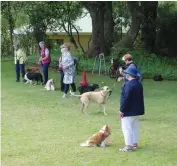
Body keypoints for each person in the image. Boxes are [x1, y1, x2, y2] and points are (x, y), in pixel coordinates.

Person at [118, 65, 145, 152]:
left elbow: (125, 98)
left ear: (129, 75)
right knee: (134, 127)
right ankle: (134, 143)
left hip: (128, 110)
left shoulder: (128, 85)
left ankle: (128, 146)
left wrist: (122, 110)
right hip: (137, 111)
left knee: (126, 128)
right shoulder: (138, 84)